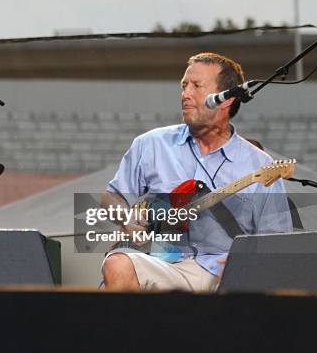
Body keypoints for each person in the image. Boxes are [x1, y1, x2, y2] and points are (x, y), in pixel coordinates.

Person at [101, 52, 292, 292]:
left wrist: (246, 266)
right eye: (184, 86)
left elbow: (277, 244)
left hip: (220, 275)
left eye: (196, 86)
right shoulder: (150, 144)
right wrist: (127, 219)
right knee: (117, 264)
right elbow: (111, 196)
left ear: (226, 100)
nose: (185, 94)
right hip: (160, 261)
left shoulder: (260, 165)